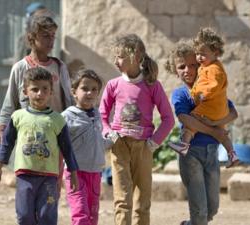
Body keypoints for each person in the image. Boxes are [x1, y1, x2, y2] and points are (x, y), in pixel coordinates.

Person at [99, 34, 175, 225]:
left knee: (142, 203)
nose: (116, 61)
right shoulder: (113, 85)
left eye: (120, 56)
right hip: (120, 146)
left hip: (143, 148)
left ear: (136, 57)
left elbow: (168, 119)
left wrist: (154, 142)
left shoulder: (152, 86)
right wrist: (109, 132)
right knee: (122, 201)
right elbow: (101, 115)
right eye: (115, 56)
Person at [0, 67, 79, 225]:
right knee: (24, 215)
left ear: (51, 91)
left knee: (47, 216)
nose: (40, 93)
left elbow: (67, 148)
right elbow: (7, 142)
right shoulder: (18, 116)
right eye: (35, 89)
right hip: (24, 175)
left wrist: (73, 171)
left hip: (49, 177)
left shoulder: (57, 120)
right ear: (25, 91)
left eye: (45, 89)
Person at [166, 40, 238, 225]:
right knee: (199, 210)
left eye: (192, 65)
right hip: (190, 155)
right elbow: (185, 119)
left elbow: (232, 113)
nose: (188, 70)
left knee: (212, 208)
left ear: (201, 65)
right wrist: (215, 132)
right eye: (182, 66)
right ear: (175, 70)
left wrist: (215, 122)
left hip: (211, 154)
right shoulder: (181, 94)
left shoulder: (212, 92)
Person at [170, 27, 239, 168]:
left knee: (191, 122)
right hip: (219, 111)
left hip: (209, 106)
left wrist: (202, 95)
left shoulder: (214, 69)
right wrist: (215, 126)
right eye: (198, 54)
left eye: (202, 55)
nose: (199, 58)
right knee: (223, 135)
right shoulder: (206, 67)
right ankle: (232, 155)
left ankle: (184, 145)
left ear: (215, 52)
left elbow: (213, 85)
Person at [62, 69, 113, 225]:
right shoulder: (67, 116)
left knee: (92, 214)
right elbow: (61, 146)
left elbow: (99, 143)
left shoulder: (97, 115)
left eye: (94, 89)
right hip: (75, 173)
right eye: (85, 88)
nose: (89, 93)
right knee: (80, 212)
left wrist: (114, 139)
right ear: (74, 92)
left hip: (96, 172)